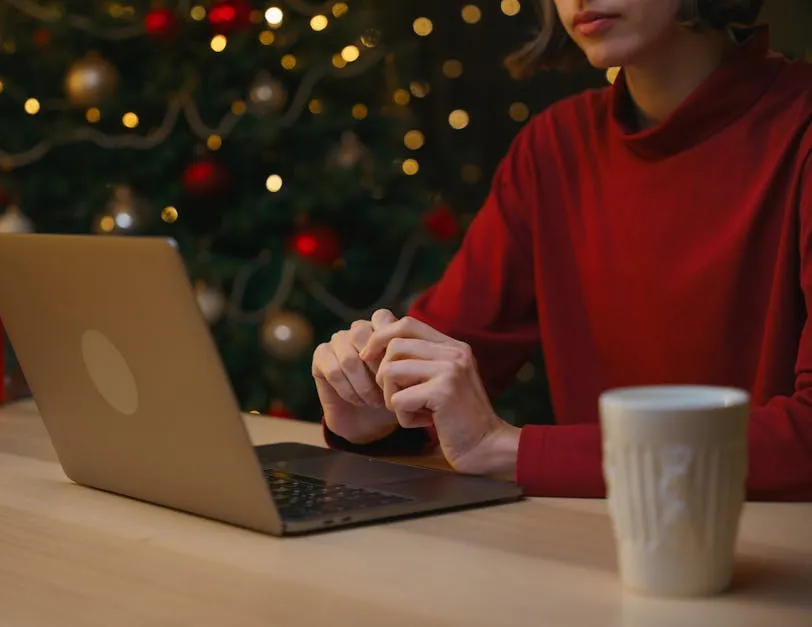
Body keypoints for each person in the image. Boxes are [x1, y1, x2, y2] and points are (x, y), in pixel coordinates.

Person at [310, 0, 812, 501]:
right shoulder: (554, 148)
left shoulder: (799, 129)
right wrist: (378, 406)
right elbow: (437, 356)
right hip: (589, 549)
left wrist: (508, 449)